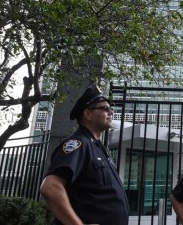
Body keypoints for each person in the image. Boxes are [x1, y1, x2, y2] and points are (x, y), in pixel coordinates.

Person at [40, 85, 129, 225]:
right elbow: (50, 187)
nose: (111, 112)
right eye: (105, 108)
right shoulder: (79, 144)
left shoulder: (98, 147)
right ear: (88, 114)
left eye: (110, 108)